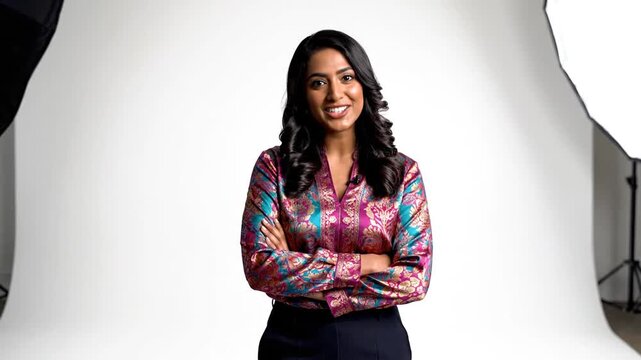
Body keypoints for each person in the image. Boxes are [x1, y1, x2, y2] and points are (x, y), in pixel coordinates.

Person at [240, 29, 432, 360]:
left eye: (346, 78)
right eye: (318, 82)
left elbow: (415, 279)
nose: (335, 94)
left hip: (377, 343)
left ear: (363, 84)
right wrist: (370, 263)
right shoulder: (273, 168)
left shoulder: (403, 173)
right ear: (301, 94)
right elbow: (260, 267)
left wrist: (308, 278)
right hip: (292, 342)